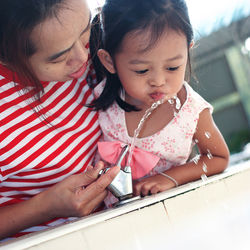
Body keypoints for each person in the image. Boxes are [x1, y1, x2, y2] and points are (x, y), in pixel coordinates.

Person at [0, 0, 120, 241]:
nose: (83, 56)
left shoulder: (102, 41)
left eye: (85, 31)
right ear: (9, 56)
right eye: (58, 58)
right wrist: (45, 207)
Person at [90, 0, 230, 206]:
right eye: (142, 70)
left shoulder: (191, 111)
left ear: (187, 51)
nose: (158, 81)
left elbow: (217, 157)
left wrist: (171, 177)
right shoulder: (102, 97)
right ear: (109, 61)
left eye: (172, 67)